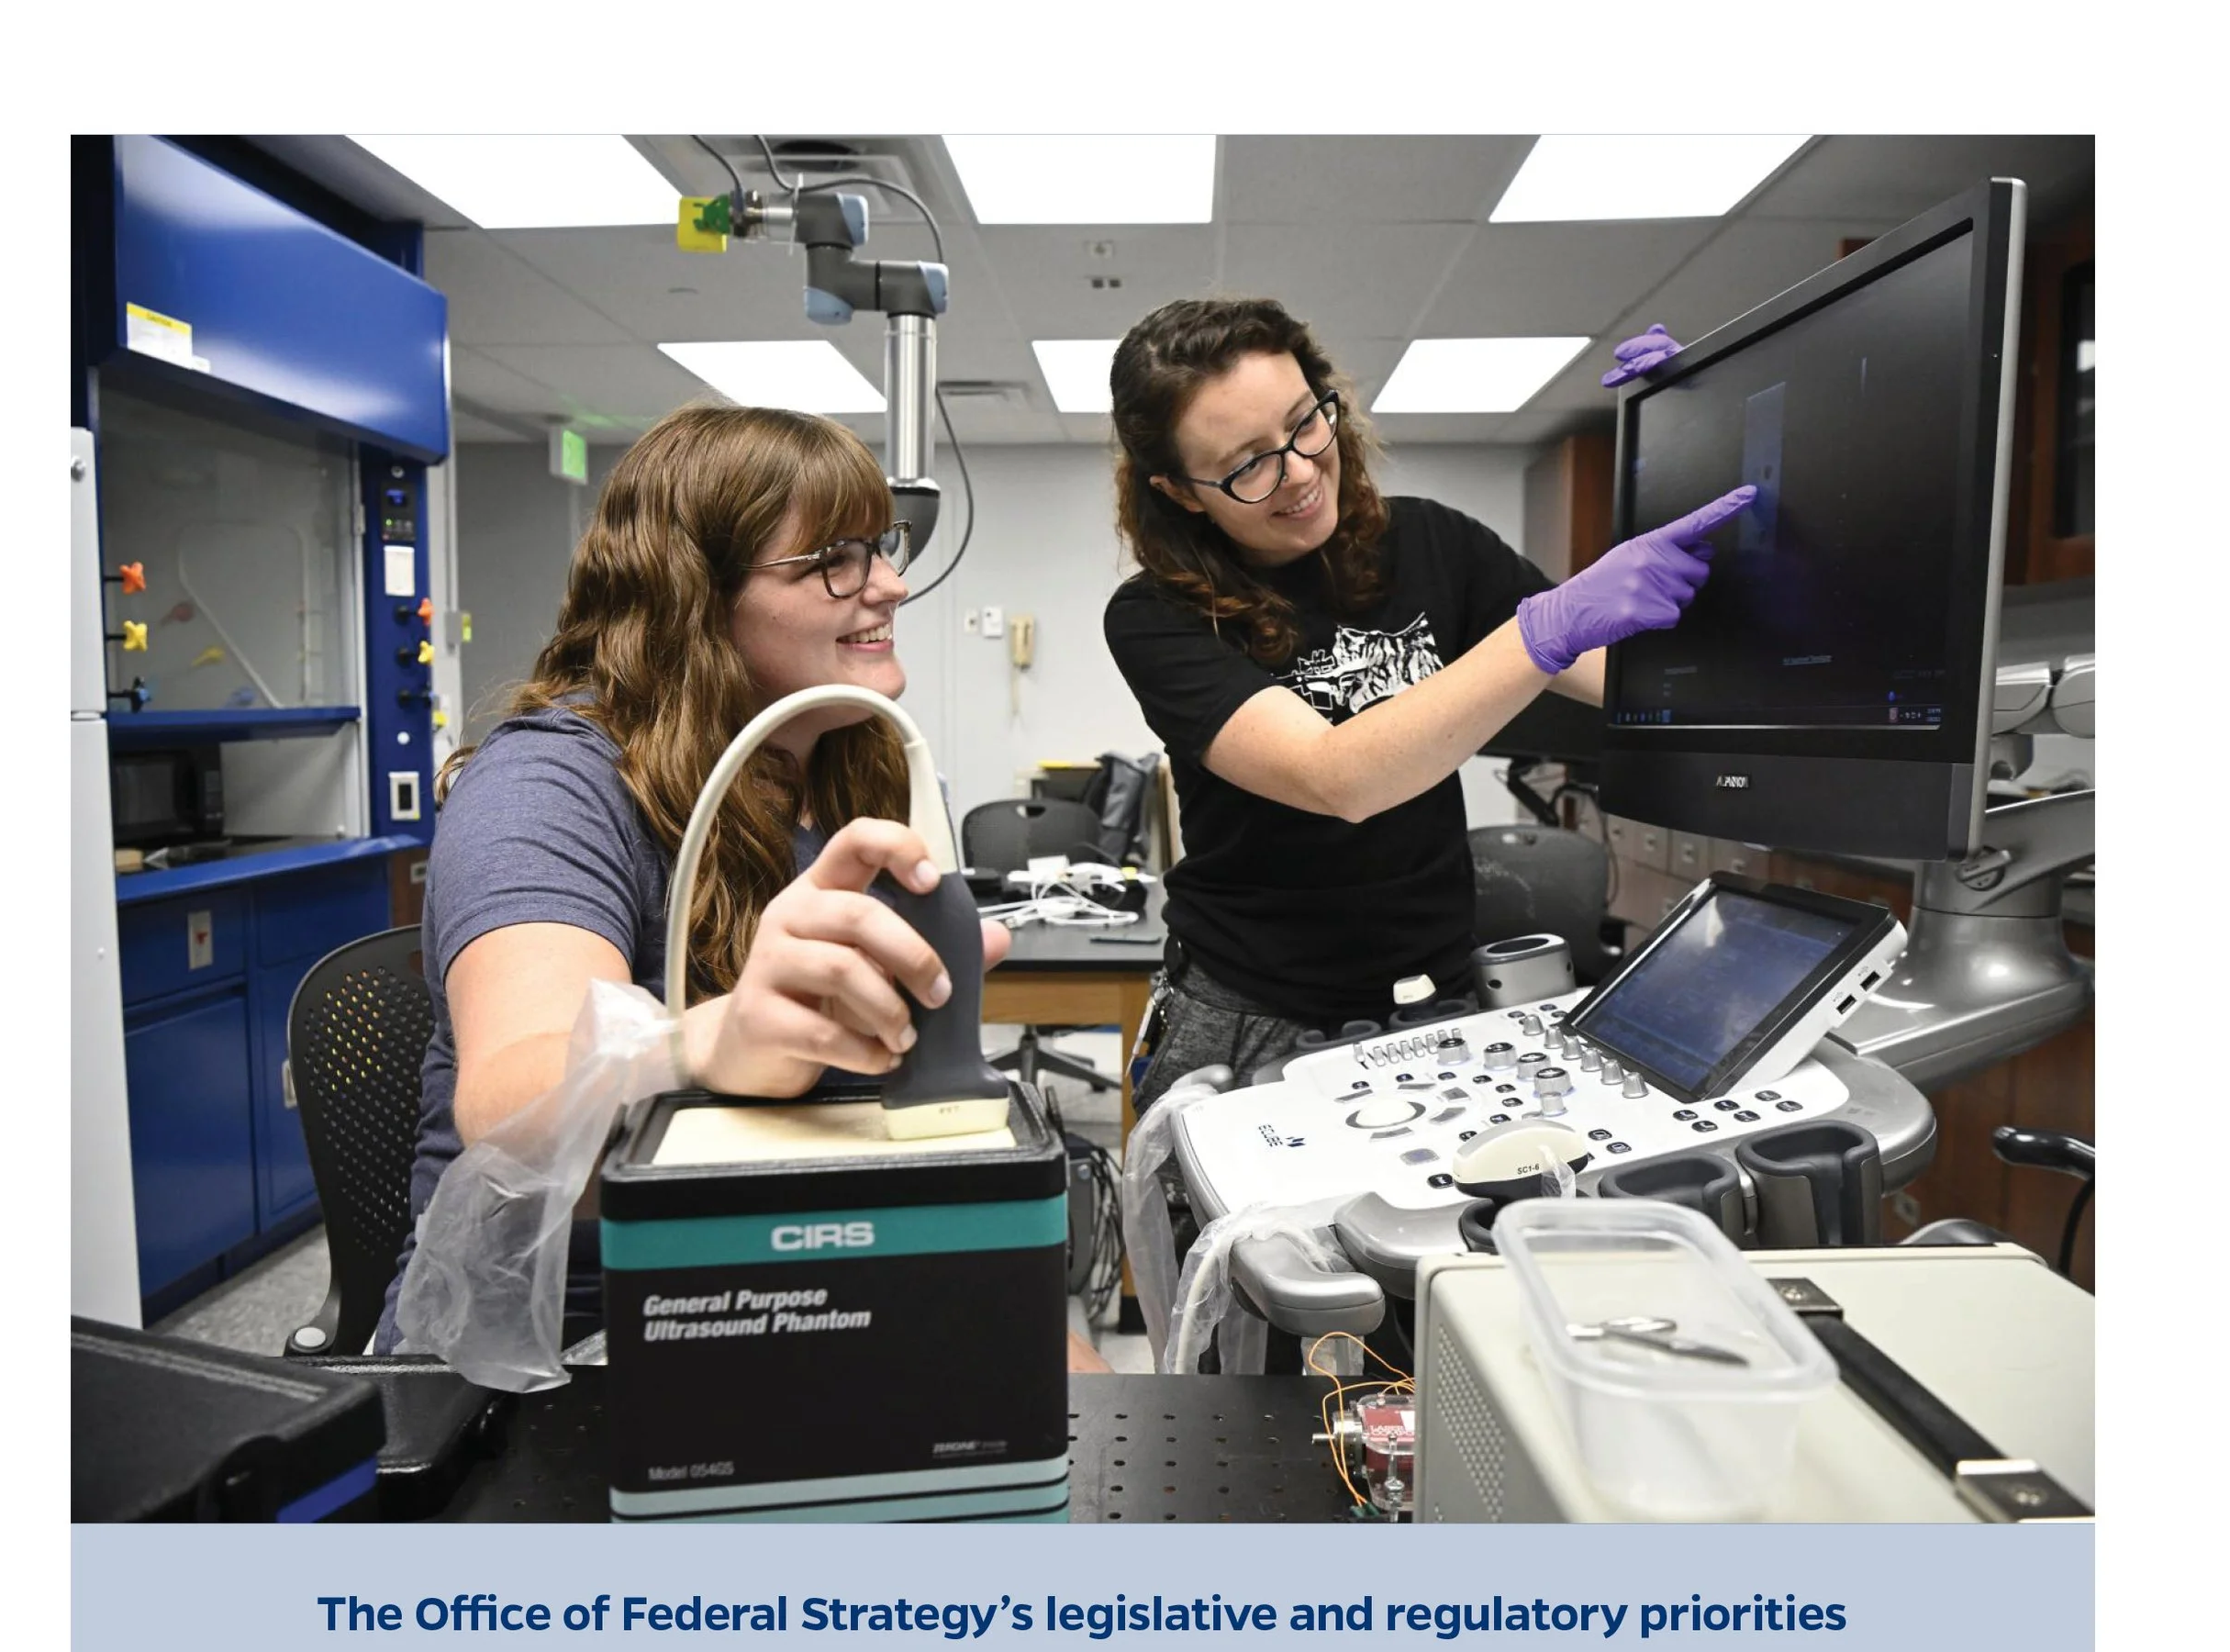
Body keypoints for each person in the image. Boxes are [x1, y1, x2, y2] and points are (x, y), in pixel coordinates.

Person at [378, 401, 1013, 1352]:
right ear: (696, 593)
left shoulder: (851, 762)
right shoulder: (549, 783)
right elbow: (505, 1102)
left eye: (883, 546)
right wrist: (703, 1043)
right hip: (563, 1333)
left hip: (795, 1263)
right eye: (836, 558)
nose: (888, 586)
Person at [1102, 296, 1750, 1111]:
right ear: (1183, 492)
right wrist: (1540, 630)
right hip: (1251, 1017)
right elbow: (1339, 779)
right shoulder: (1156, 617)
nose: (1300, 471)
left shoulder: (1431, 543)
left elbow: (1637, 673)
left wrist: (1697, 446)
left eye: (1307, 423)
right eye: (1248, 464)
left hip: (1435, 999)